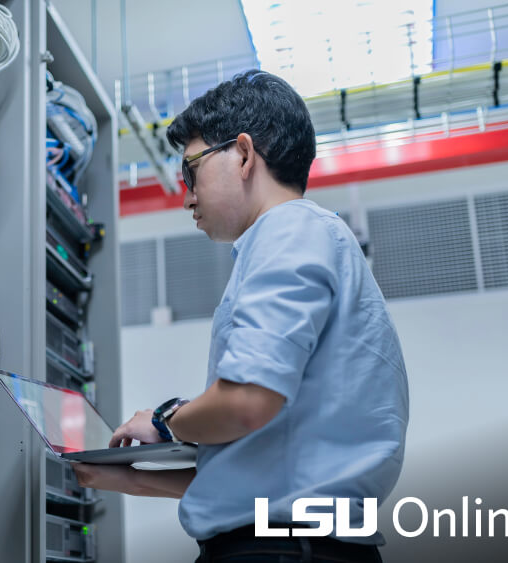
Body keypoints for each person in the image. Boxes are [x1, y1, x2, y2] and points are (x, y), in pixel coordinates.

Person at [73, 70, 409, 563]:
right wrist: (131, 479)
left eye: (191, 171)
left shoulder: (289, 230)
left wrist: (167, 420)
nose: (185, 195)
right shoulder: (313, 238)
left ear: (245, 154)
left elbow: (247, 402)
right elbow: (261, 474)